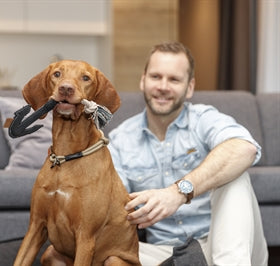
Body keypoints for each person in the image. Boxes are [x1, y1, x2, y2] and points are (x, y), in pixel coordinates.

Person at [108, 41, 268, 265]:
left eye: (174, 79)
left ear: (190, 87)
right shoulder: (119, 139)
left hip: (221, 248)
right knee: (109, 254)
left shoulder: (203, 119)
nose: (163, 86)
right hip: (161, 253)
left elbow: (244, 147)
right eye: (156, 77)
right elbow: (112, 207)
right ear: (143, 80)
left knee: (235, 172)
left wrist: (178, 192)